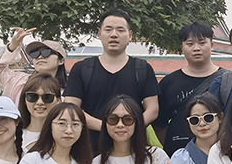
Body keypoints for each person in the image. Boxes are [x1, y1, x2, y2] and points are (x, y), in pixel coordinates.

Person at [64, 9, 161, 149]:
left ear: (130, 35)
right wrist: (107, 127)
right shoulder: (82, 68)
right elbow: (72, 108)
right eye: (108, 29)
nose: (114, 35)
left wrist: (128, 128)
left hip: (133, 147)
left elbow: (152, 109)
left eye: (120, 30)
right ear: (99, 34)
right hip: (90, 148)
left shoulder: (143, 69)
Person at [158, 22, 223, 155]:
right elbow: (159, 124)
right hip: (180, 153)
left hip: (220, 154)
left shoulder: (226, 80)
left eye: (202, 42)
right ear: (182, 47)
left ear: (212, 45)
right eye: (190, 44)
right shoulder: (169, 82)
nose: (196, 48)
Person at [0, 30, 67, 101]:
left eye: (46, 52)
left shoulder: (70, 92)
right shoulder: (18, 81)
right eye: (35, 53)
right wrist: (12, 46)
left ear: (61, 60)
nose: (40, 57)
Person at [18, 72, 63, 150]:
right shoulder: (14, 135)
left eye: (47, 97)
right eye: (32, 96)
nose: (40, 102)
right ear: (24, 100)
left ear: (58, 100)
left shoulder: (64, 136)